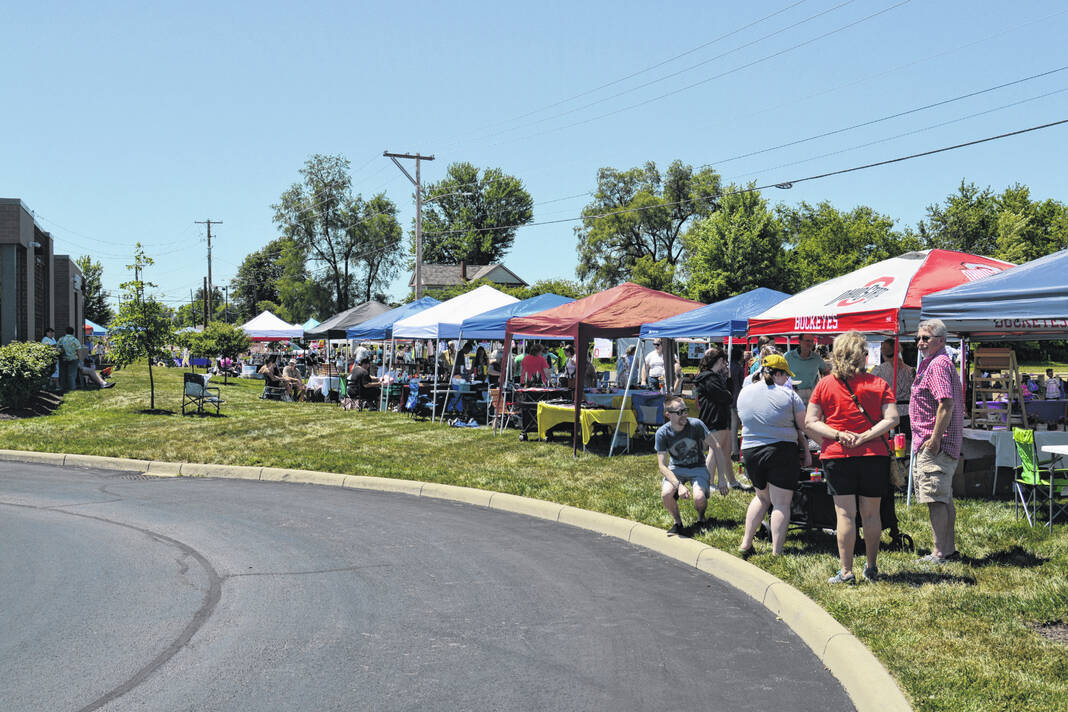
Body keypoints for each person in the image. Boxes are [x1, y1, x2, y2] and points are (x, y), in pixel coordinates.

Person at [807, 331, 899, 584]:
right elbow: (892, 418)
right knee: (871, 514)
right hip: (873, 454)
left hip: (838, 455)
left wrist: (837, 434)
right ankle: (871, 566)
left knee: (845, 516)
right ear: (862, 355)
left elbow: (810, 422)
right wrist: (867, 435)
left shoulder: (824, 385)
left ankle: (846, 571)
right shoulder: (879, 384)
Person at [736, 354, 810, 556]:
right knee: (781, 503)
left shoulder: (744, 393)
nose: (787, 380)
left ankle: (745, 544)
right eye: (786, 376)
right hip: (781, 451)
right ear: (778, 373)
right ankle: (776, 552)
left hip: (751, 451)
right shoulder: (789, 395)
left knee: (760, 497)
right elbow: (804, 425)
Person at [909, 319, 963, 566]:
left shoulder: (938, 364)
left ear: (941, 340)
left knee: (936, 500)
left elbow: (946, 404)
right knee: (943, 497)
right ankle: (948, 549)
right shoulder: (934, 362)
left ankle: (939, 553)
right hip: (936, 442)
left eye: (926, 338)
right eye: (918, 338)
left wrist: (934, 439)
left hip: (935, 444)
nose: (920, 343)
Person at [656, 394, 722, 536]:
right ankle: (678, 523)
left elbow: (716, 446)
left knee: (699, 498)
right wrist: (678, 485)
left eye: (685, 410)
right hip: (676, 469)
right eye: (679, 412)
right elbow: (662, 466)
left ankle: (701, 518)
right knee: (666, 494)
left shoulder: (696, 425)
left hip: (698, 467)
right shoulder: (662, 433)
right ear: (668, 415)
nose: (684, 415)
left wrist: (721, 478)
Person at [692, 346, 743, 491]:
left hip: (720, 417)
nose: (725, 365)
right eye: (724, 362)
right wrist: (728, 389)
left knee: (725, 452)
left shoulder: (711, 376)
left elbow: (726, 395)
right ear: (720, 360)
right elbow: (725, 397)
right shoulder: (709, 377)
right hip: (714, 418)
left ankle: (732, 481)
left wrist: (728, 385)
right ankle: (707, 483)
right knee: (716, 451)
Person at [784, 333, 830, 403]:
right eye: (807, 341)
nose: (810, 343)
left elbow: (826, 371)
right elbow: (780, 372)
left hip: (811, 393)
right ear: (799, 342)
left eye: (812, 341)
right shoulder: (788, 356)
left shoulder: (816, 357)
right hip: (793, 392)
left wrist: (824, 386)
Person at [56, 326, 82, 393]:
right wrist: (80, 359)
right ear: (73, 333)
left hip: (63, 359)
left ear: (65, 332)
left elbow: (57, 348)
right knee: (72, 374)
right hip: (73, 359)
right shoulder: (75, 340)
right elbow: (78, 351)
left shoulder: (61, 339)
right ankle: (72, 388)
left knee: (63, 374)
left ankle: (63, 387)